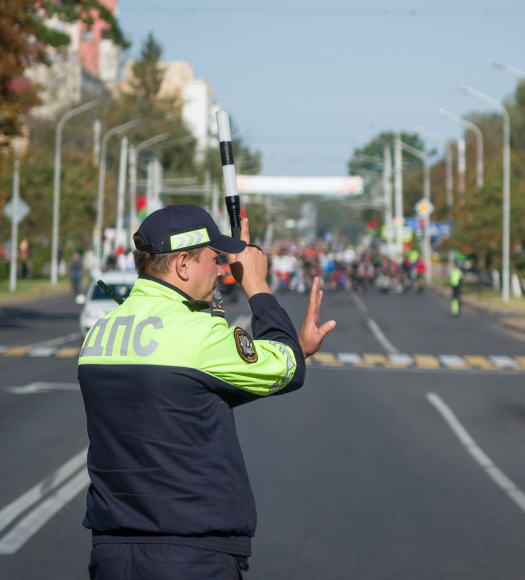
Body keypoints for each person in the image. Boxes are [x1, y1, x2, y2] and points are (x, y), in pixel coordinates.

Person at [78, 204, 336, 579]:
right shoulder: (198, 337)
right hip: (190, 555)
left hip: (112, 553)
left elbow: (194, 391)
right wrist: (257, 286)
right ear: (183, 264)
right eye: (215, 259)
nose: (221, 270)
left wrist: (295, 347)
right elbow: (286, 369)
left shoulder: (99, 333)